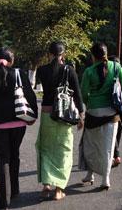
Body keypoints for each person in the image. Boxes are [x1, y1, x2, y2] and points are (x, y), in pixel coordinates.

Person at [0, 47, 38, 209]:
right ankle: (15, 190)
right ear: (12, 61)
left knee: (2, 159)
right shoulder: (19, 75)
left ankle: (4, 202)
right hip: (19, 122)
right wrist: (33, 117)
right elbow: (31, 96)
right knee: (14, 154)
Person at [35, 42, 84, 201]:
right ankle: (58, 190)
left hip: (47, 114)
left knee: (46, 149)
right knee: (63, 150)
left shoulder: (41, 70)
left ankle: (46, 187)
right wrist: (81, 116)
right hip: (64, 116)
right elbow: (77, 95)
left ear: (49, 54)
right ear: (64, 54)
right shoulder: (69, 70)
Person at [80, 43, 122, 191]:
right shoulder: (116, 67)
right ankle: (105, 179)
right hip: (111, 114)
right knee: (107, 147)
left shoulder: (89, 71)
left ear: (93, 56)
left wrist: (90, 104)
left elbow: (83, 93)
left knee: (91, 145)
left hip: (93, 113)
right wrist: (116, 105)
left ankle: (90, 174)